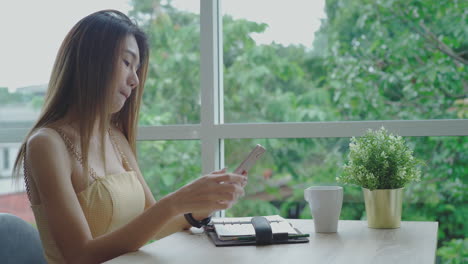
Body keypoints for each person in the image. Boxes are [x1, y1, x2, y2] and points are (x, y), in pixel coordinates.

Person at [12, 9, 247, 264]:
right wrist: (174, 202)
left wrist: (197, 209)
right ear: (91, 61)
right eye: (127, 63)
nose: (135, 80)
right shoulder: (47, 144)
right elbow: (80, 255)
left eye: (137, 68)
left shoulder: (115, 138)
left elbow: (157, 226)